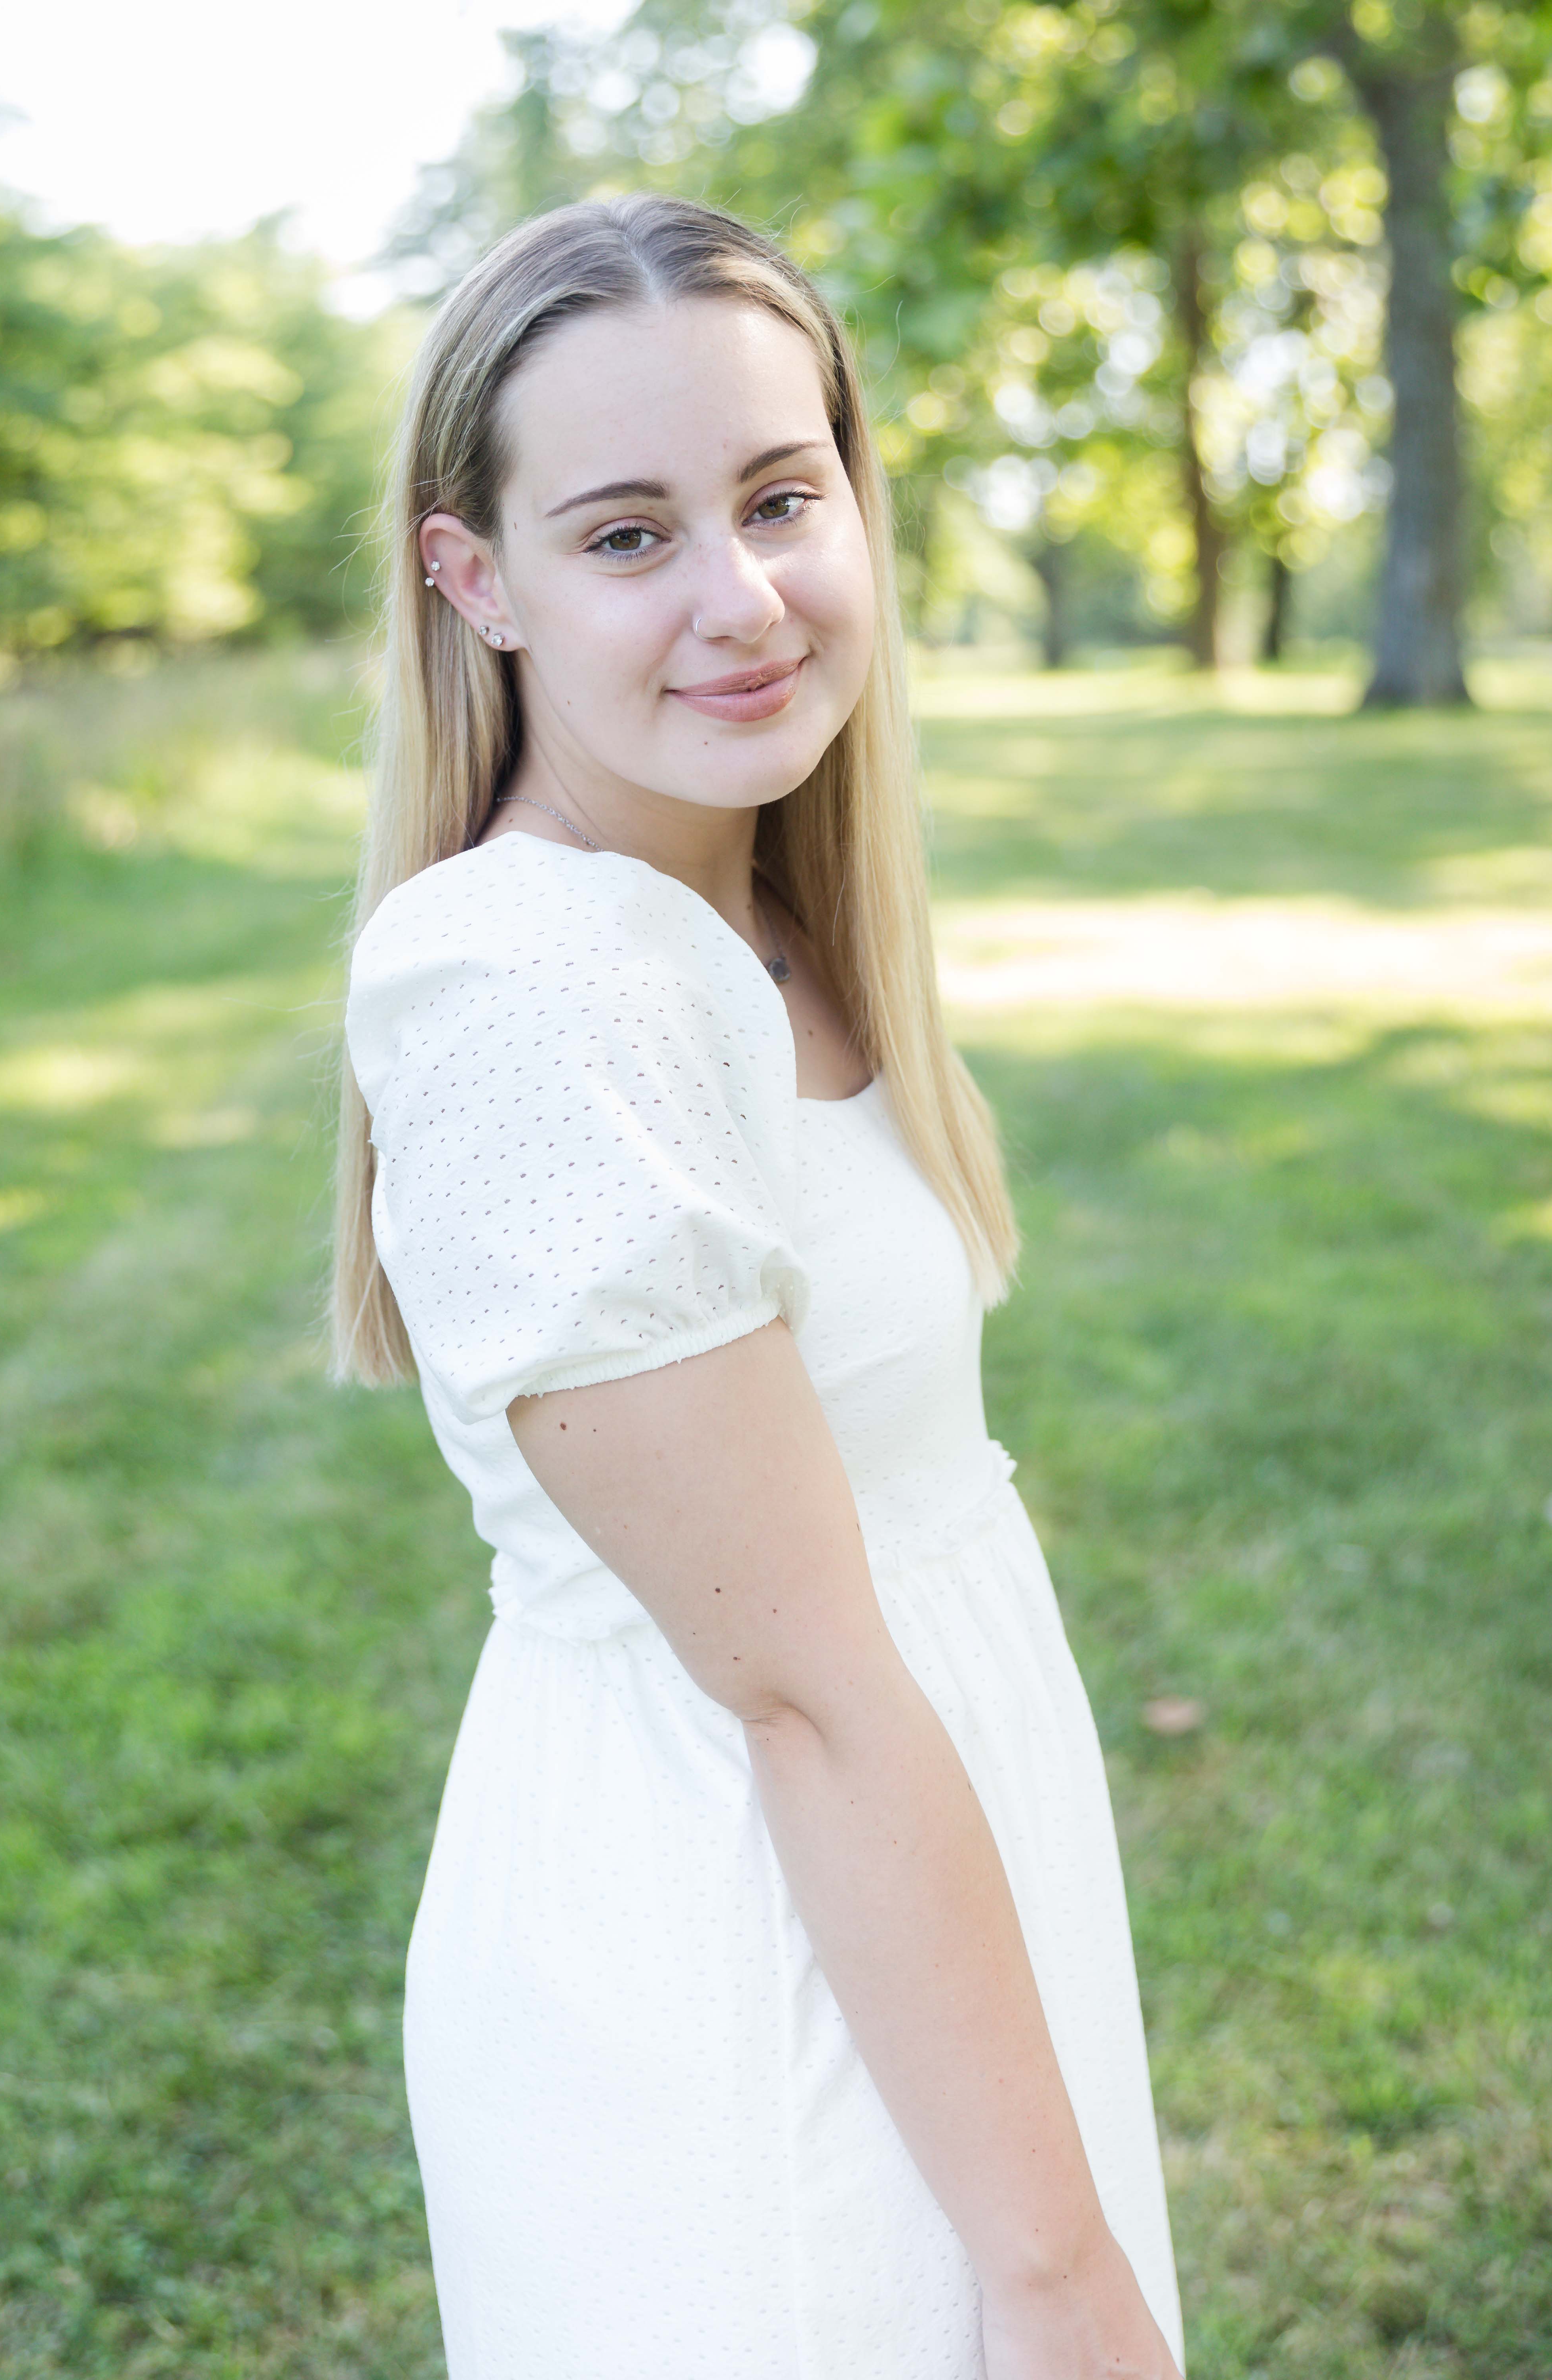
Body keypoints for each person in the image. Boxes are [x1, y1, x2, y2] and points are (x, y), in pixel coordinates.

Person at [331, 192, 1184, 2380]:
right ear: (474, 581)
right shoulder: (539, 986)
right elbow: (801, 1690)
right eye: (626, 536)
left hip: (917, 1890)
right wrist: (1062, 2273)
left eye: (781, 498)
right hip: (748, 1954)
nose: (743, 600)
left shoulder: (760, 913)